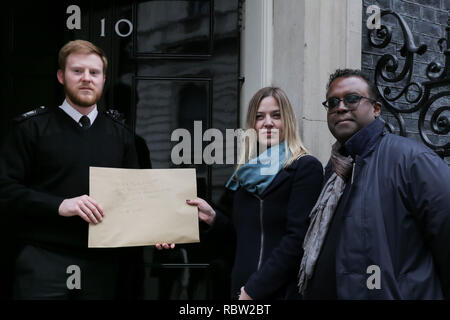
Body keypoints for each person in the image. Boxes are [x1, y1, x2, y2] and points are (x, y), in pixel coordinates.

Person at [0, 40, 170, 300]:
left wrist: (158, 228)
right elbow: (6, 191)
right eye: (77, 71)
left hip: (103, 266)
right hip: (44, 260)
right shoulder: (30, 129)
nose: (86, 79)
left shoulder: (122, 137)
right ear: (61, 76)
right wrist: (60, 205)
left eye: (94, 72)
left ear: (104, 79)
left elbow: (137, 200)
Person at [298, 68, 450, 300]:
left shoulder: (411, 161)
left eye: (352, 98)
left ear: (376, 109)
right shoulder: (333, 170)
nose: (340, 107)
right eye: (332, 102)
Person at [187, 87, 323, 300]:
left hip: (279, 293)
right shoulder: (244, 176)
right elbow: (238, 237)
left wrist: (254, 290)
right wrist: (213, 218)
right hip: (239, 293)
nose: (267, 123)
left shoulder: (305, 168)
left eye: (276, 115)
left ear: (287, 120)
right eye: (260, 117)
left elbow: (298, 240)